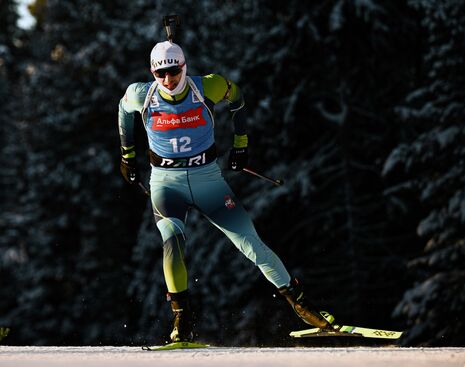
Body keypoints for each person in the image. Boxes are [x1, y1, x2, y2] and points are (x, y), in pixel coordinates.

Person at [117, 40, 337, 342]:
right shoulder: (141, 94)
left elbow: (238, 98)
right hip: (166, 183)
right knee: (172, 243)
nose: (168, 80)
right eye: (160, 74)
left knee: (251, 243)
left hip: (208, 179)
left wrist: (241, 144)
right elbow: (123, 108)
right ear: (152, 73)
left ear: (184, 66)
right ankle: (182, 323)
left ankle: (303, 305)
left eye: (173, 72)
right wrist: (127, 155)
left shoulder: (208, 86)